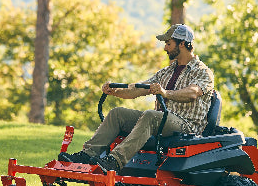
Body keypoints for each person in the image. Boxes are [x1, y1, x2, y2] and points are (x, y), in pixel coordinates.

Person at [58, 24, 214, 173]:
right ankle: (87, 155)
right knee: (117, 113)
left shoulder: (202, 71)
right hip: (162, 120)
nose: (165, 48)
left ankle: (114, 161)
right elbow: (138, 89)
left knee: (151, 115)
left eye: (168, 44)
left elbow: (193, 92)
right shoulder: (167, 72)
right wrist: (114, 91)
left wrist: (166, 93)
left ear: (182, 44)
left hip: (187, 126)